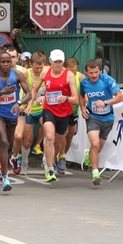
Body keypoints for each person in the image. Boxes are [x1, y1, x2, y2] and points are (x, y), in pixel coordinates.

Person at [27, 49, 78, 182]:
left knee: (58, 141)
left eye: (60, 62)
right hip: (49, 109)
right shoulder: (45, 71)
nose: (57, 64)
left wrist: (66, 98)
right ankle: (49, 169)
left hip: (64, 111)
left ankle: (51, 159)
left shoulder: (69, 75)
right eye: (55, 61)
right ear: (50, 61)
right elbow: (35, 89)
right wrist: (29, 104)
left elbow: (76, 99)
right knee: (49, 136)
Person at [0, 51, 31, 188]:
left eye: (8, 61)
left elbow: (29, 94)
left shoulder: (17, 75)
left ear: (12, 62)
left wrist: (19, 102)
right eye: (3, 62)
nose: (6, 64)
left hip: (12, 113)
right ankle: (5, 177)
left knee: (6, 145)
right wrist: (0, 93)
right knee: (4, 141)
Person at [79, 59, 123, 185]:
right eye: (91, 73)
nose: (94, 75)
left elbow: (120, 97)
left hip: (107, 118)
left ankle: (89, 155)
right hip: (93, 117)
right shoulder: (84, 83)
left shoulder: (107, 80)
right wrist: (83, 108)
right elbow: (81, 96)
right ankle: (95, 173)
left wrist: (105, 102)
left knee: (98, 147)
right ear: (86, 72)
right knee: (94, 143)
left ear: (100, 71)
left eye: (96, 72)